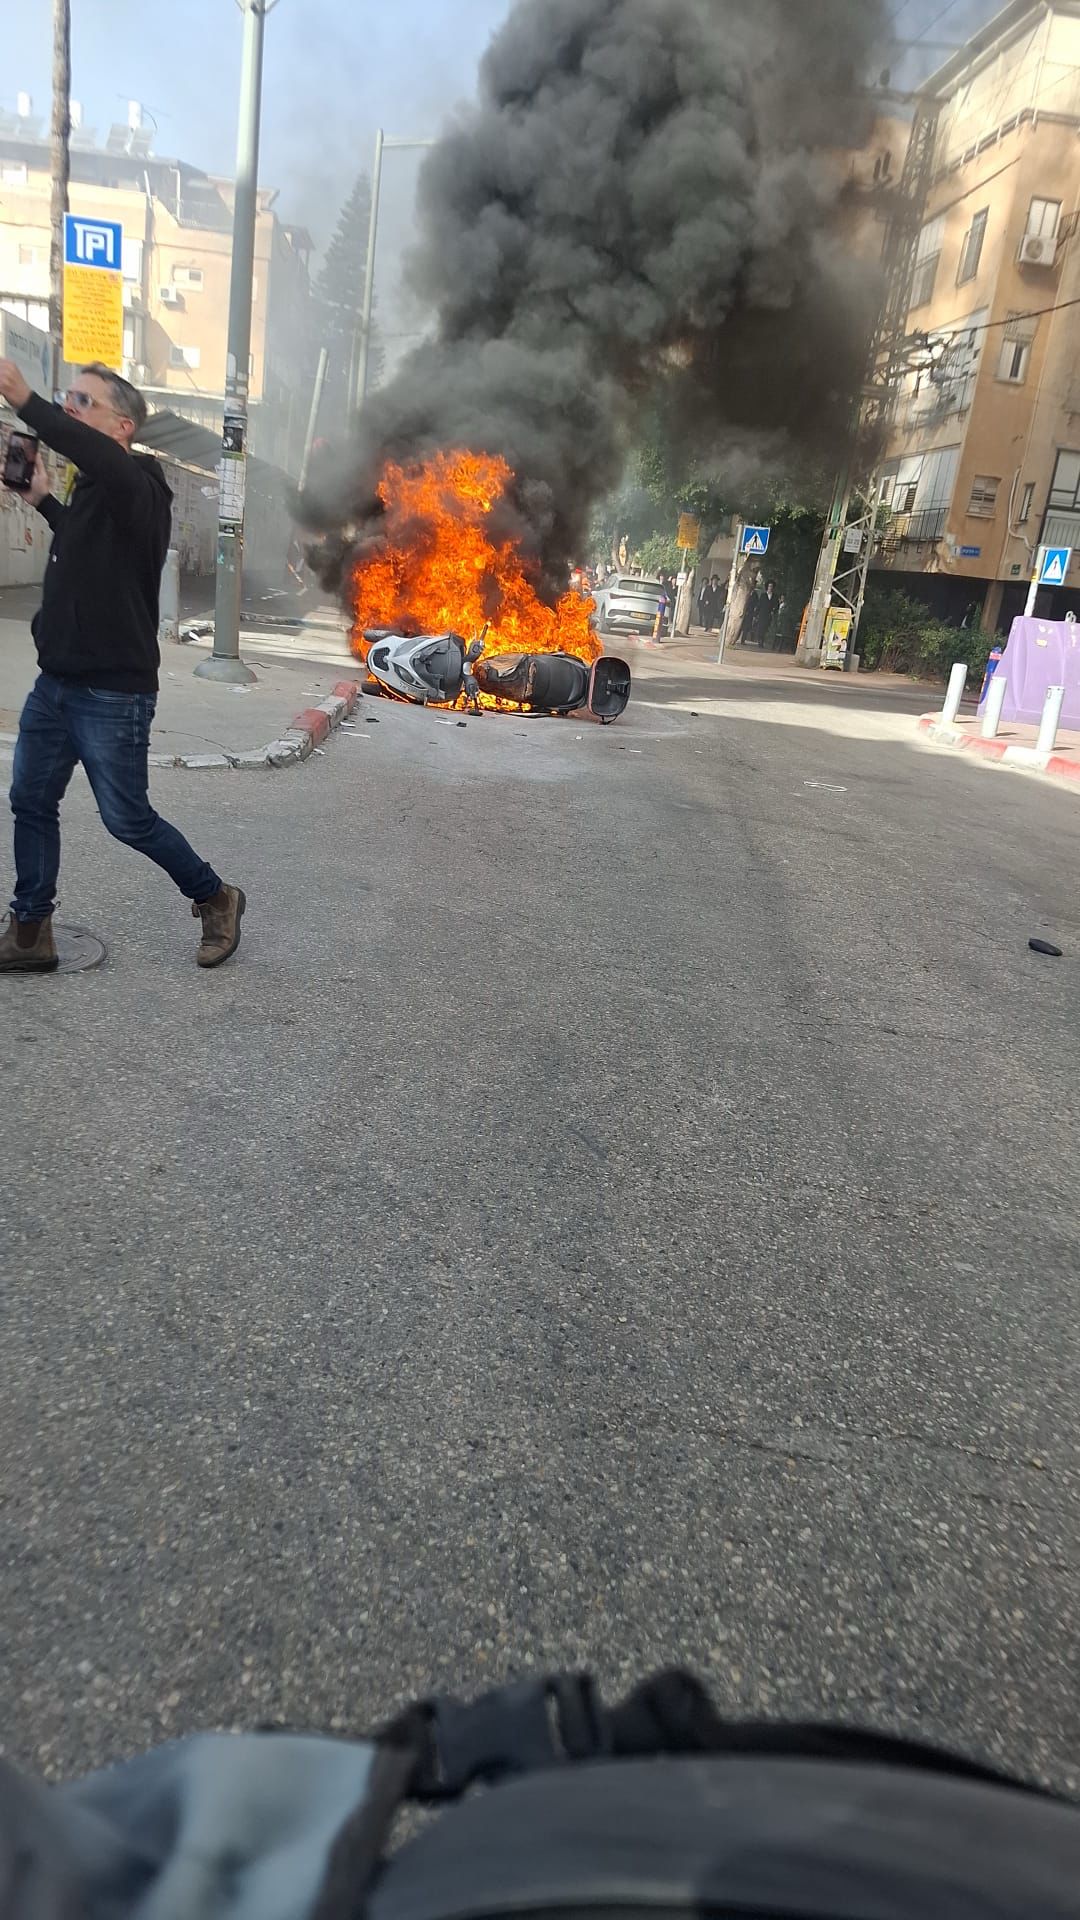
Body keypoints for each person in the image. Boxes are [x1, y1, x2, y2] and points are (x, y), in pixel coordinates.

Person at [0, 359, 245, 972]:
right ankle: (32, 931)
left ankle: (216, 897)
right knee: (30, 799)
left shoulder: (141, 484)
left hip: (111, 694)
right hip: (55, 683)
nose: (71, 408)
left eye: (84, 401)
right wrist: (43, 500)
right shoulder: (94, 490)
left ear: (123, 426)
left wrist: (29, 401)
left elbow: (95, 457)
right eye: (66, 398)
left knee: (127, 819)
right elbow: (88, 546)